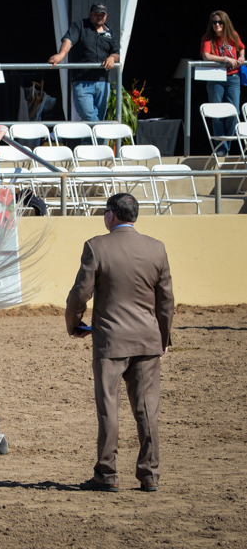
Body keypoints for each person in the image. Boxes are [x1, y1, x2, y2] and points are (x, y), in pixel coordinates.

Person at [65, 193, 174, 493]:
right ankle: (149, 474)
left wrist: (74, 324)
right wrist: (163, 339)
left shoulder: (96, 246)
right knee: (147, 411)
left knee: (108, 409)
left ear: (111, 215)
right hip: (147, 341)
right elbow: (166, 302)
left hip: (110, 342)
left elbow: (79, 294)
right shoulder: (157, 249)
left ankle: (107, 473)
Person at [48, 3, 120, 122]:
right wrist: (61, 55)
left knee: (98, 119)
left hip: (103, 82)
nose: (100, 17)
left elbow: (116, 53)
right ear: (90, 14)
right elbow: (68, 40)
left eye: (103, 15)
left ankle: (90, 141)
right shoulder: (80, 26)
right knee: (90, 118)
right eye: (97, 14)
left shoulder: (110, 33)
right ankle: (101, 138)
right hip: (82, 81)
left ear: (106, 16)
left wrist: (112, 58)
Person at [200, 11, 245, 156]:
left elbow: (241, 47)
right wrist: (226, 59)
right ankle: (221, 149)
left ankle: (227, 146)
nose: (217, 25)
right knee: (217, 114)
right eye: (214, 22)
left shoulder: (233, 35)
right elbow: (206, 55)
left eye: (220, 22)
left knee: (234, 112)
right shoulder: (208, 38)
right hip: (215, 78)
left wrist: (242, 56)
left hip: (233, 78)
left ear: (226, 23)